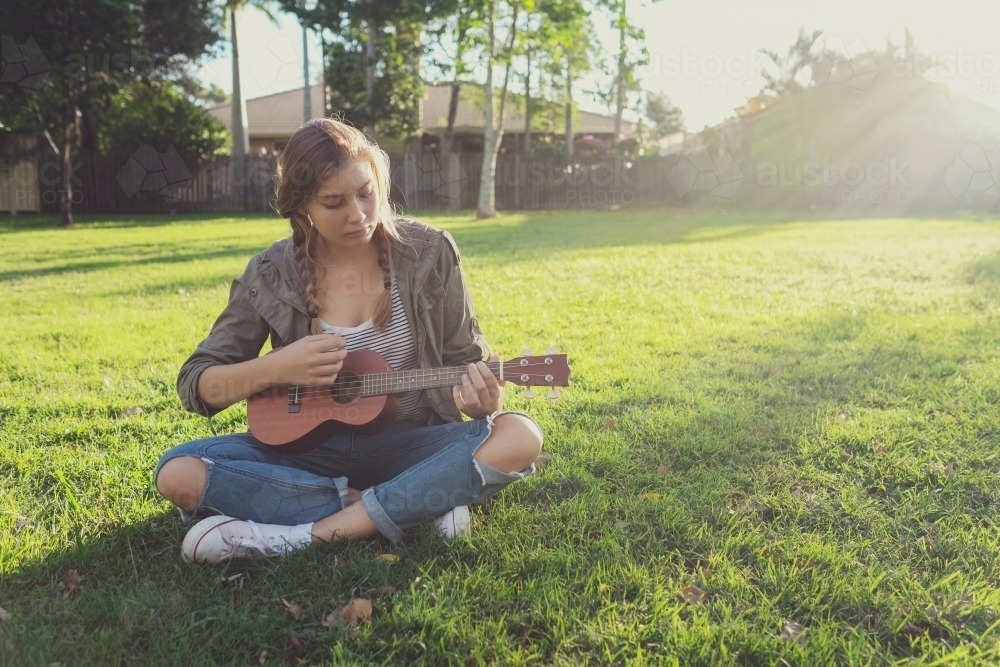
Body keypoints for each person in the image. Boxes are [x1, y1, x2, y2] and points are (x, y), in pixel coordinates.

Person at [153, 118, 543, 564]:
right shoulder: (270, 273)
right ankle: (414, 505)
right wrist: (277, 368)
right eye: (334, 202)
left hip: (412, 447)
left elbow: (467, 366)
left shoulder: (430, 253)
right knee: (177, 472)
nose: (357, 214)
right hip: (305, 457)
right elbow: (196, 384)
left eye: (365, 192)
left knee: (520, 434)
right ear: (302, 209)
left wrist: (482, 404)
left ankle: (306, 535)